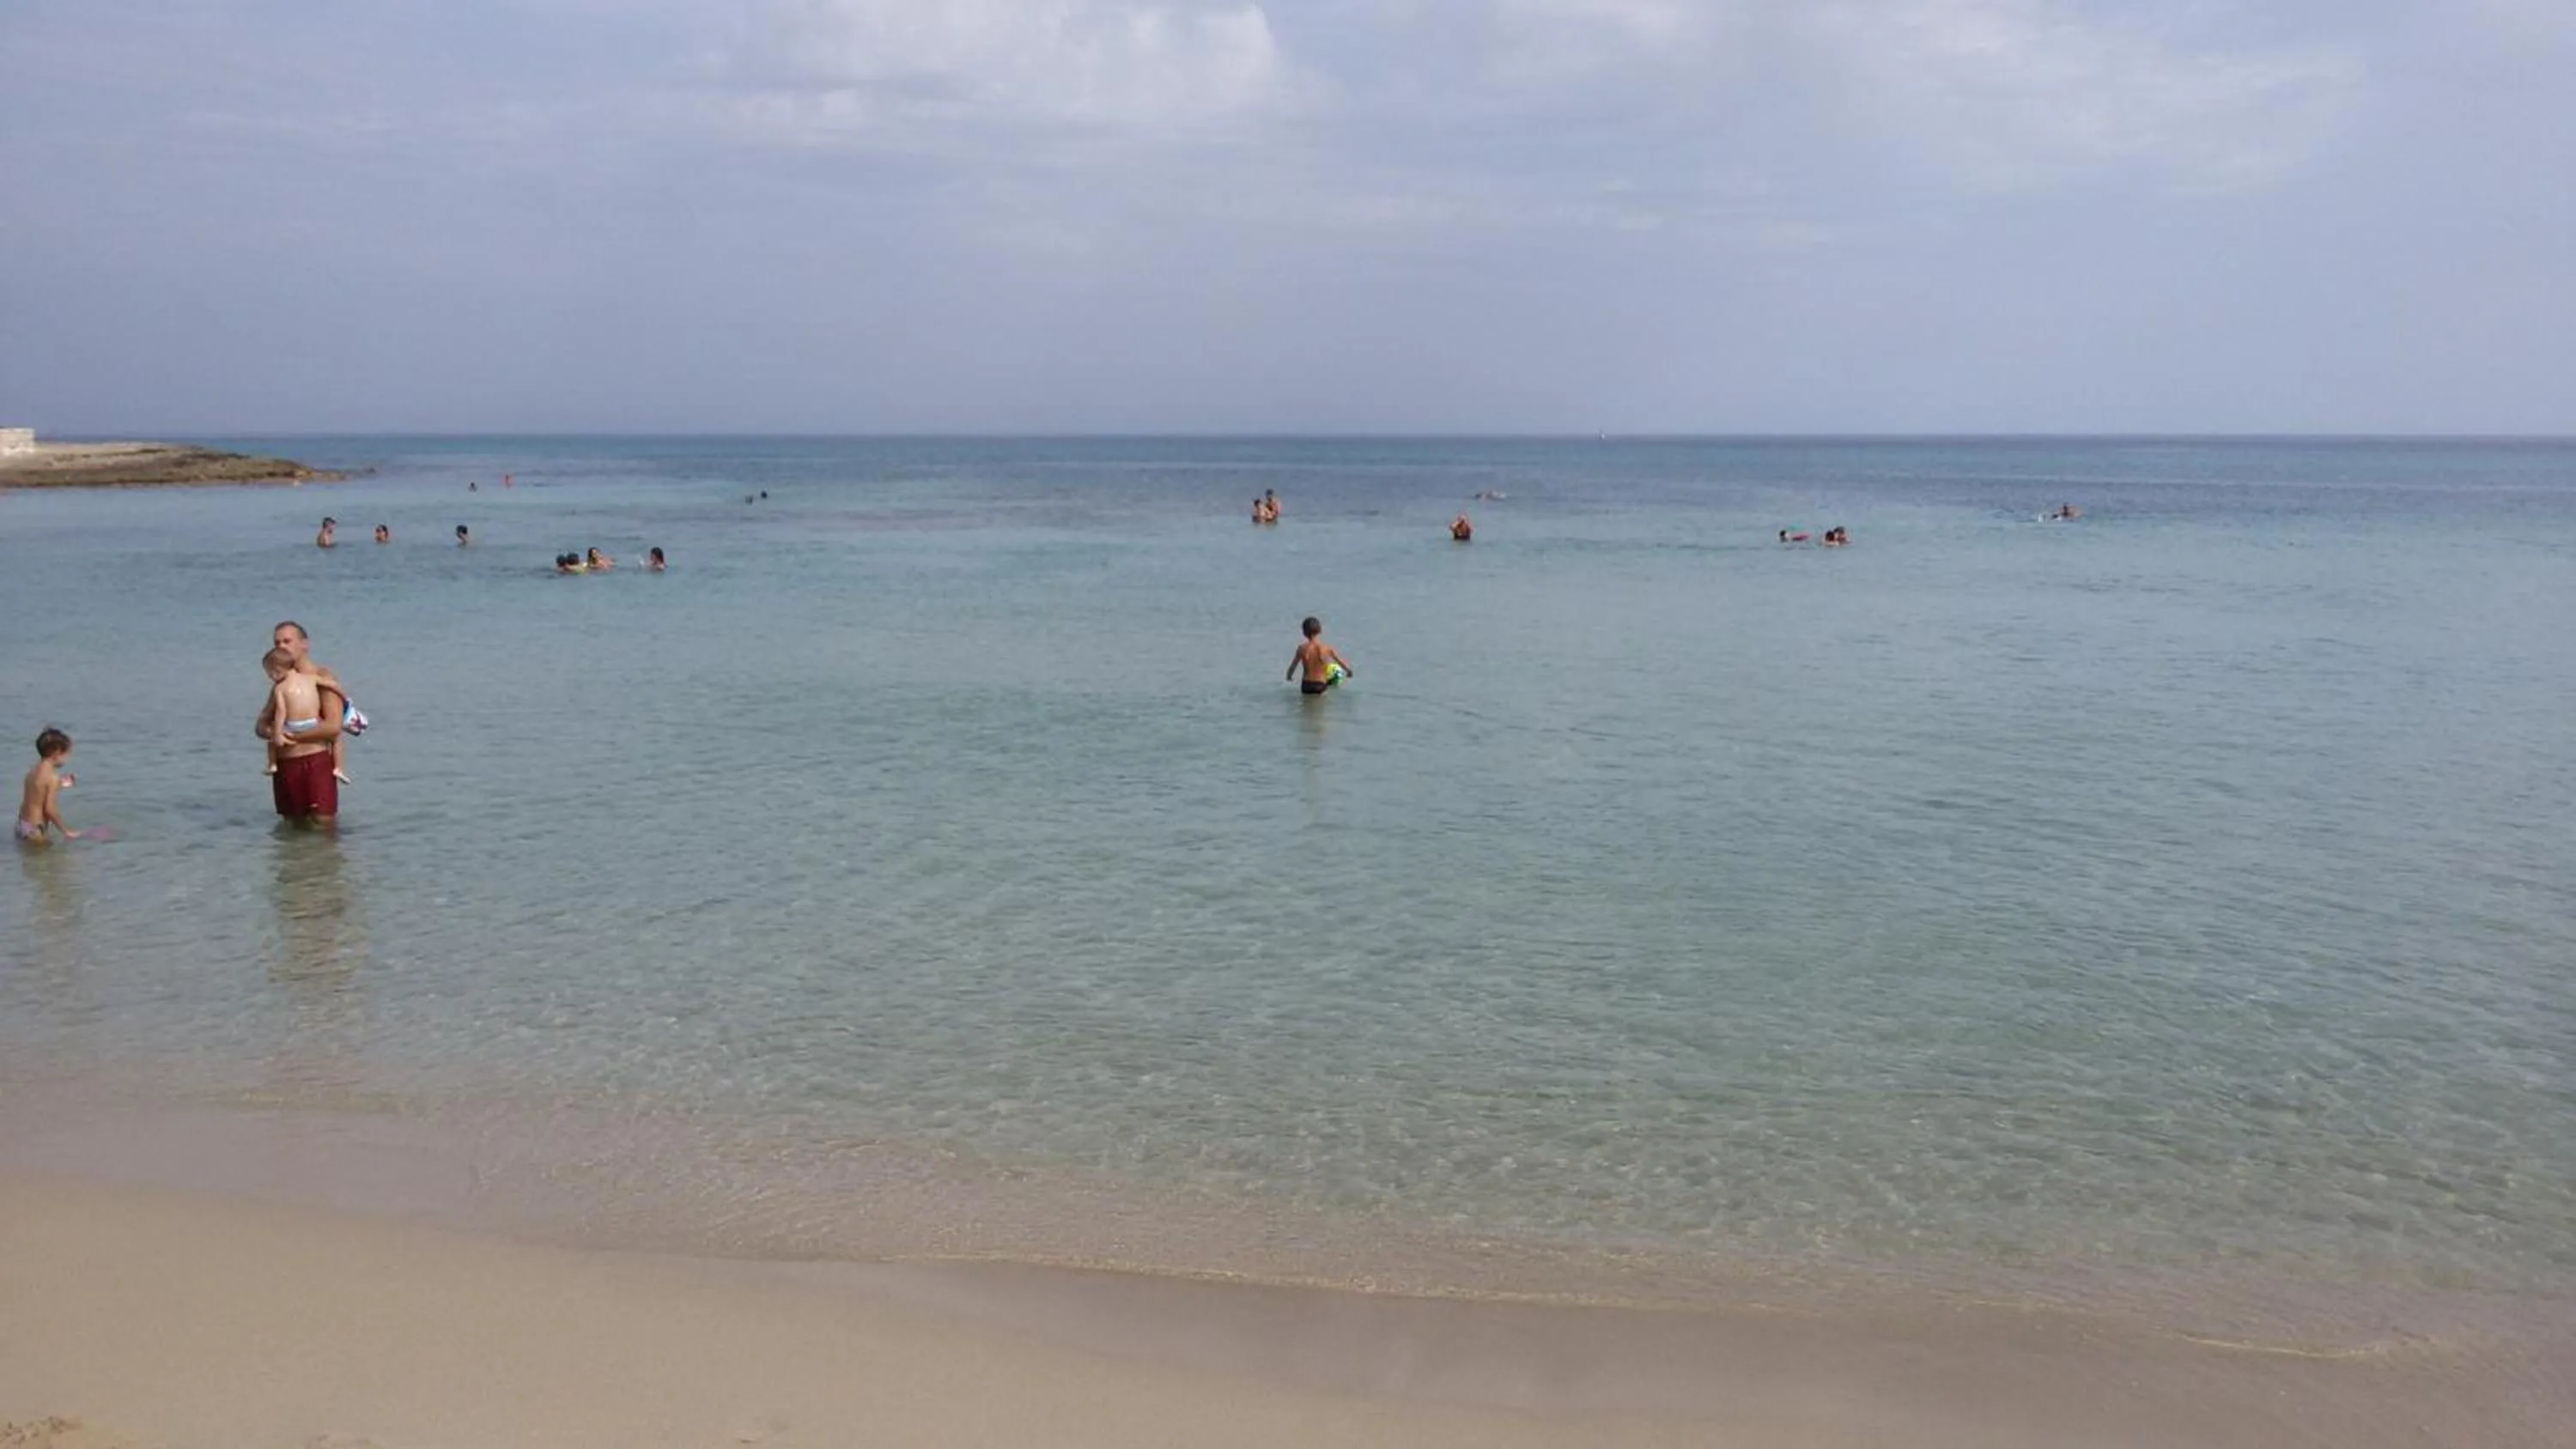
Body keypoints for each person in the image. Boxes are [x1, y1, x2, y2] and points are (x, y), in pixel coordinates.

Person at [264, 621, 363, 785]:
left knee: (321, 812)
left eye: (287, 641)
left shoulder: (321, 676)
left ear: (304, 644)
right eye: (277, 643)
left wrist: (291, 736)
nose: (281, 646)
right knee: (286, 811)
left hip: (316, 764)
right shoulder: (281, 684)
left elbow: (333, 727)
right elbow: (261, 724)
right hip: (284, 767)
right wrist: (274, 733)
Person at [16, 729, 81, 846]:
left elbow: (38, 791)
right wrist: (66, 831)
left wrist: (61, 783)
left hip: (24, 824)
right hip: (35, 830)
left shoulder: (33, 771)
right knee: (44, 861)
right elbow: (49, 809)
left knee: (31, 861)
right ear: (56, 752)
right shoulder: (52, 777)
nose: (67, 758)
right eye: (66, 754)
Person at [1286, 616, 1352, 696]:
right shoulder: (1327, 648)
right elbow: (1340, 661)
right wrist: (1349, 671)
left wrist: (1289, 676)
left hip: (1306, 685)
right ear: (1320, 631)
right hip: (1320, 684)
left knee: (1306, 707)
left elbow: (1293, 665)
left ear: (1304, 633)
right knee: (1320, 707)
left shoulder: (1301, 648)